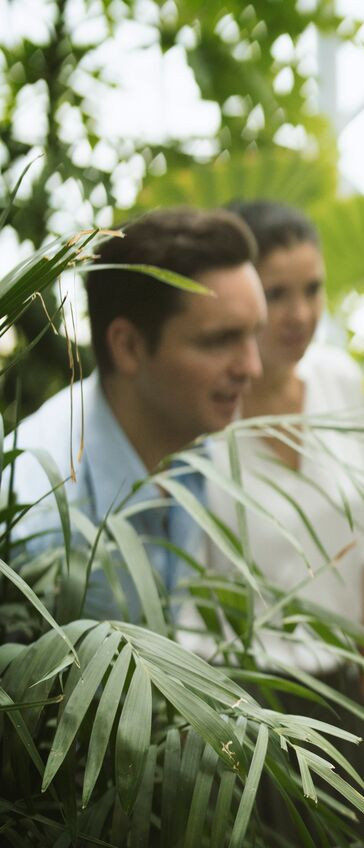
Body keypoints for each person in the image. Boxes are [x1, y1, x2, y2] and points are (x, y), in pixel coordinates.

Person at [206, 200, 364, 843]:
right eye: (276, 293)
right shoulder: (206, 411)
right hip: (243, 708)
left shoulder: (339, 379)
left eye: (312, 289)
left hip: (344, 701)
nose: (300, 314)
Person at [7, 207, 265, 620]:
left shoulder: (195, 447)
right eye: (220, 340)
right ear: (127, 346)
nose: (252, 367)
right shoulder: (37, 523)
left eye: (255, 335)